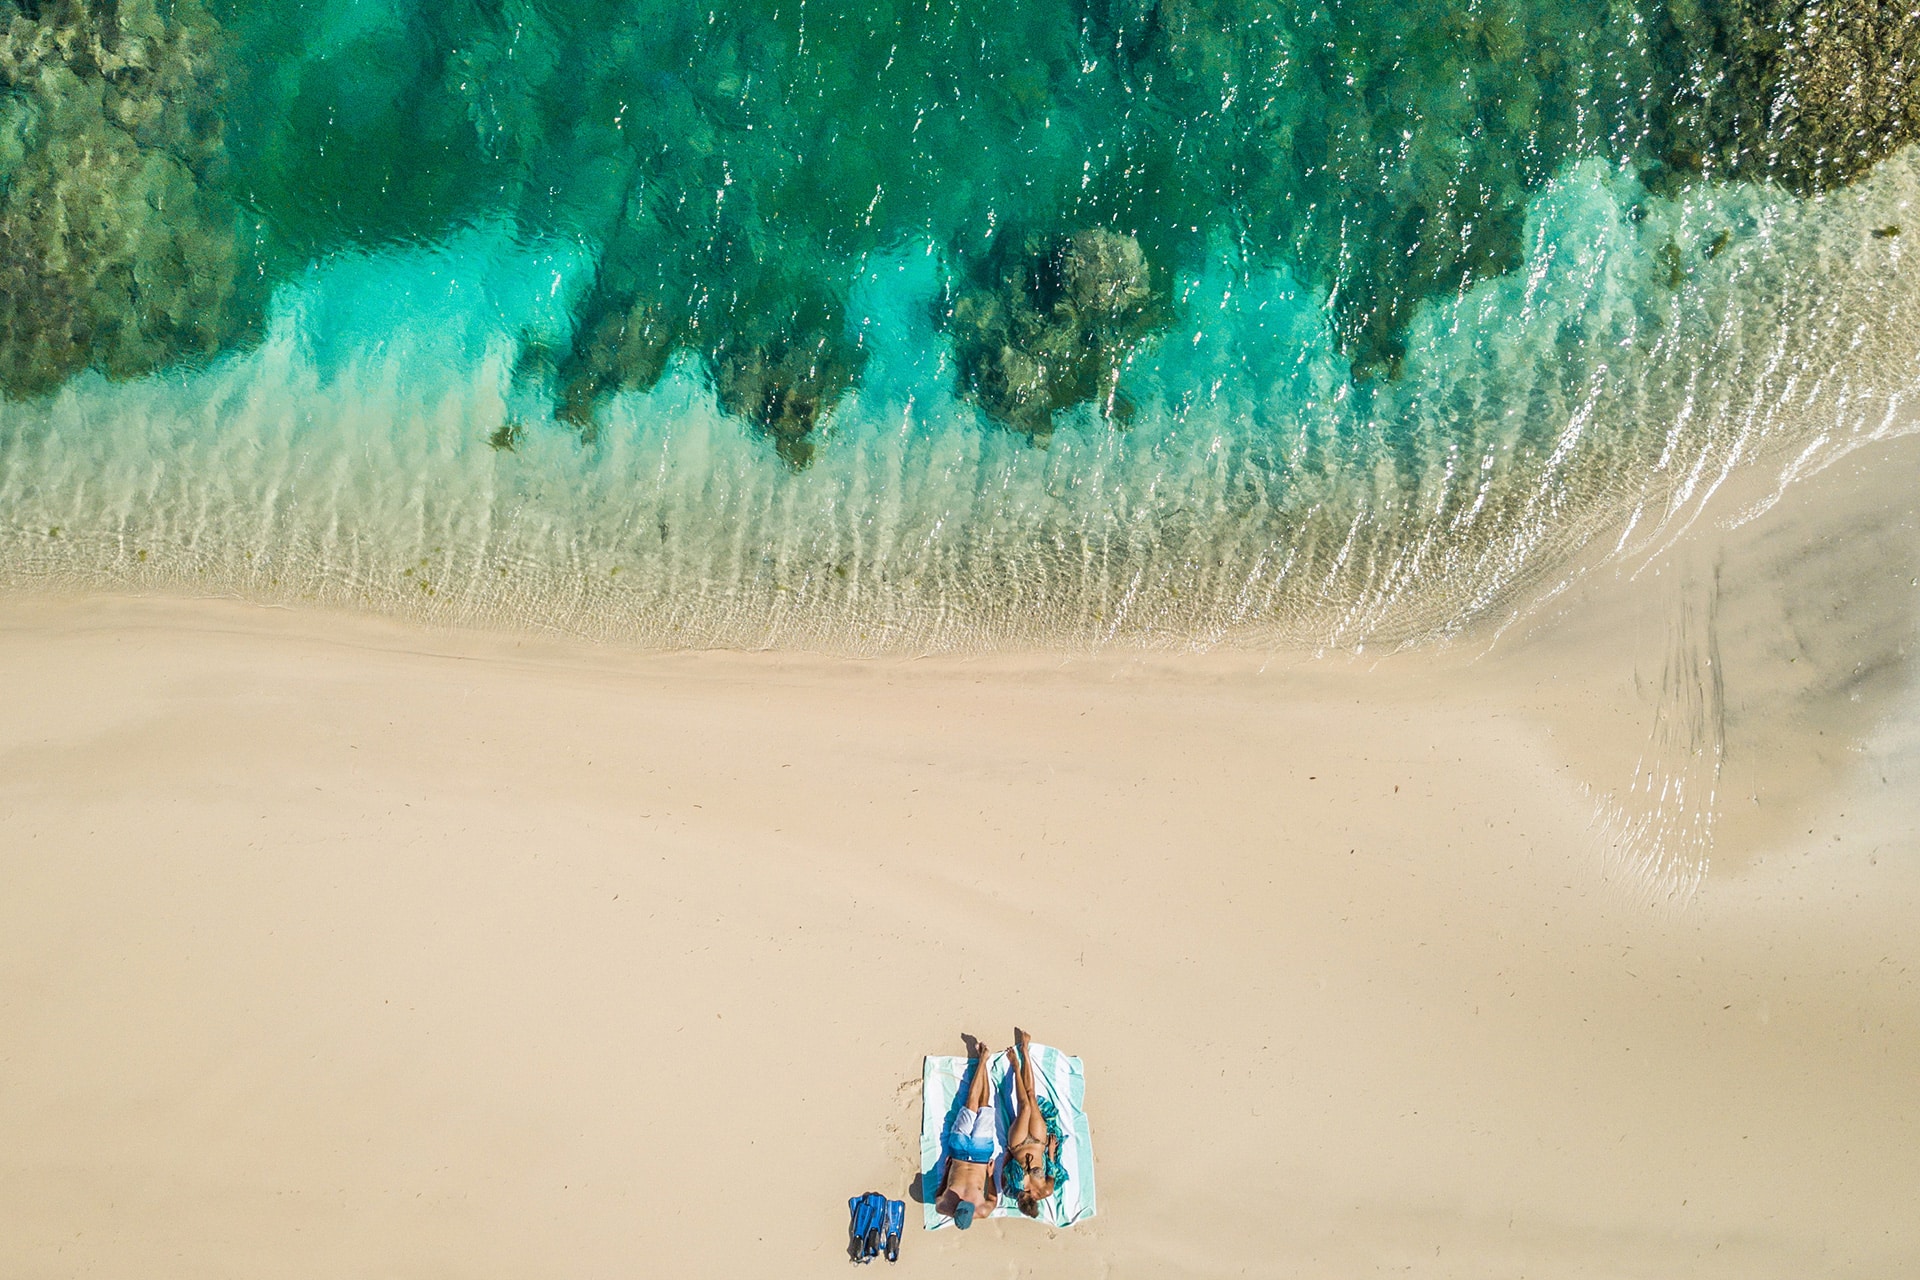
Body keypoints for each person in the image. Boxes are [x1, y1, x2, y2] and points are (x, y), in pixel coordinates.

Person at [1003, 1027, 1068, 1217]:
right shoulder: (1046, 1190)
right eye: (1023, 1197)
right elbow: (1053, 1169)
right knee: (1031, 1098)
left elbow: (1003, 1172)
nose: (1020, 1195)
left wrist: (1007, 1155)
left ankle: (1016, 1067)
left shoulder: (1012, 1190)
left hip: (1018, 1145)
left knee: (1024, 1107)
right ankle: (1025, 1050)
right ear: (1032, 1197)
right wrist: (1052, 1150)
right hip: (1039, 1144)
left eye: (1019, 1197)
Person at [935, 1039, 1000, 1229]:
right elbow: (993, 1197)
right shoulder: (983, 1210)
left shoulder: (943, 1205)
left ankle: (982, 1059)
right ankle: (984, 1062)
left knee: (971, 1104)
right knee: (984, 1105)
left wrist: (947, 1170)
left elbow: (939, 1192)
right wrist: (990, 1175)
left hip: (958, 1152)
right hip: (980, 1156)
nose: (961, 1199)